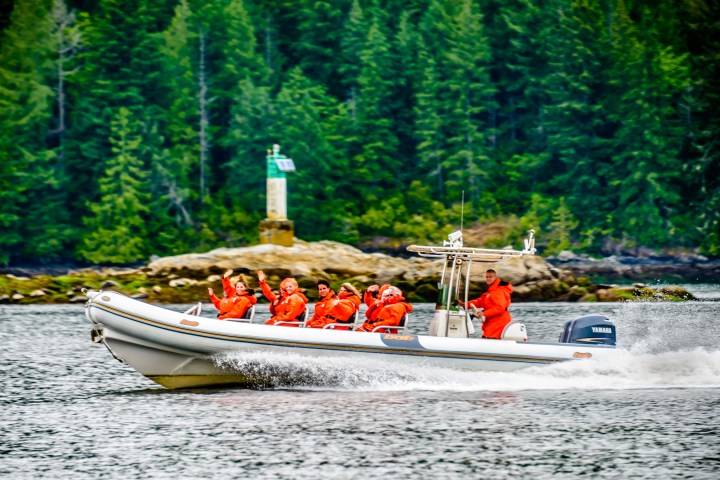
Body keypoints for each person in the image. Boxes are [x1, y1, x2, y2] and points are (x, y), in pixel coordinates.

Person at [463, 269, 513, 339]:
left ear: (495, 277)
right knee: (486, 338)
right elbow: (479, 302)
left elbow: (500, 307)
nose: (488, 278)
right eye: (487, 277)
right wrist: (464, 304)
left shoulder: (497, 291)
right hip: (492, 322)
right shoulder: (491, 291)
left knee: (487, 338)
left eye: (490, 277)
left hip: (499, 322)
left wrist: (484, 313)